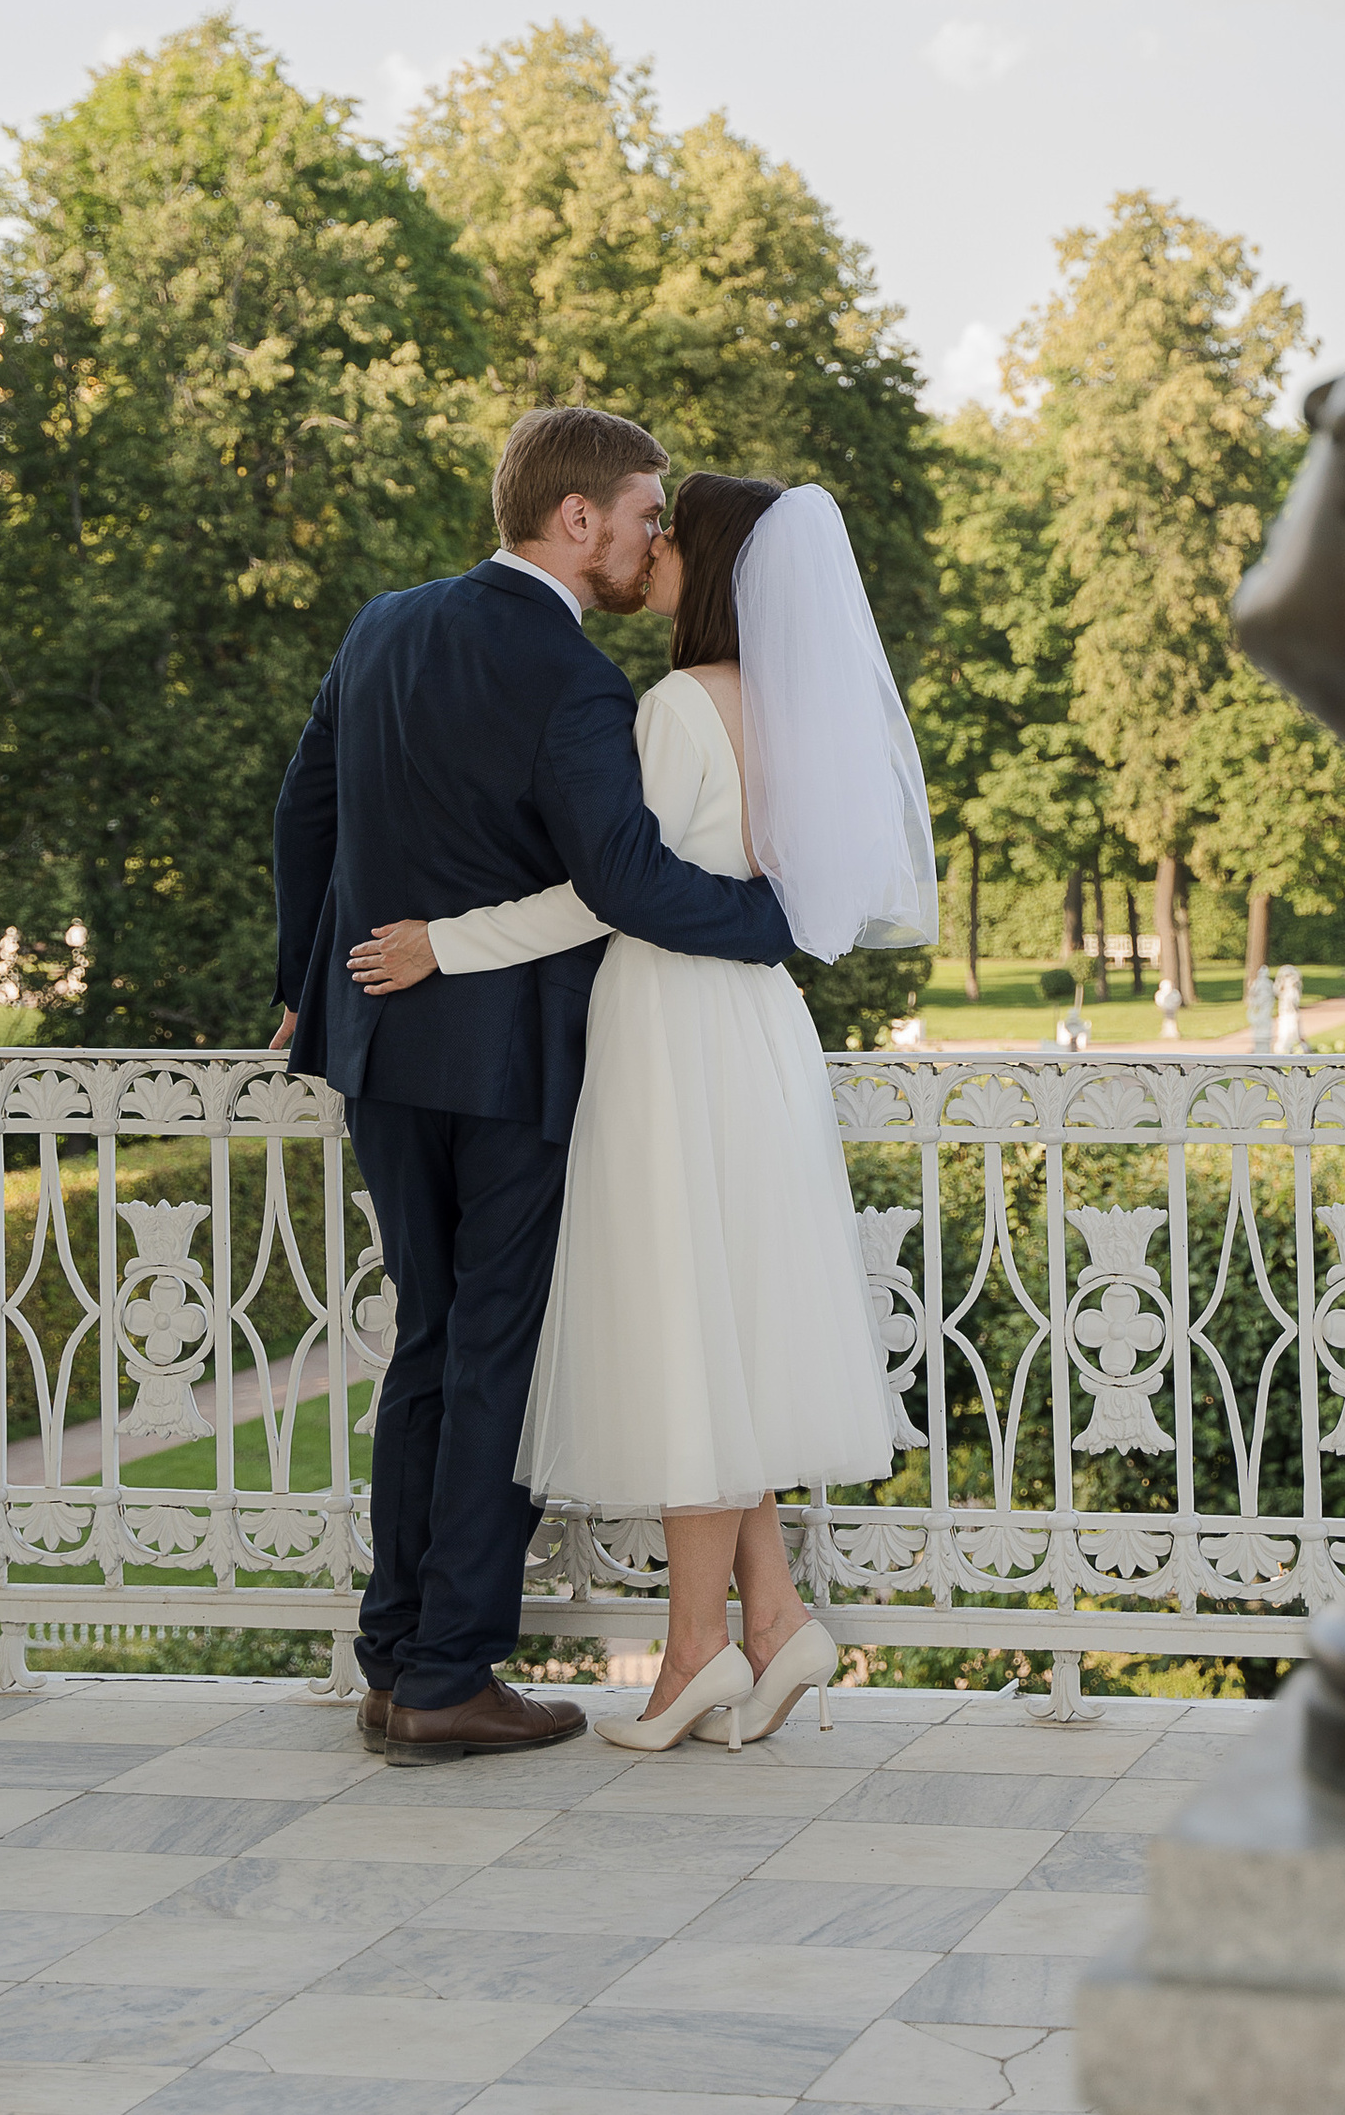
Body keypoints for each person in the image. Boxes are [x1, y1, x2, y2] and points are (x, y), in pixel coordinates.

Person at [349, 471, 935, 1751]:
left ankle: (691, 1657)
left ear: (709, 564)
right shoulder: (790, 709)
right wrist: (775, 934)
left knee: (687, 1323)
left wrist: (444, 942)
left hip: (673, 1024)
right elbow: (757, 889)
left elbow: (611, 889)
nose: (648, 547)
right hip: (757, 1027)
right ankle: (769, 1623)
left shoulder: (675, 704)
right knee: (729, 1323)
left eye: (670, 533)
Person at [271, 406, 798, 1767]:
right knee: (490, 1347)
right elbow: (621, 882)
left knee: (429, 1344)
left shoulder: (383, 622)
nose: (648, 538)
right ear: (577, 520)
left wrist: (301, 981)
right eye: (640, 511)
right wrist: (775, 923)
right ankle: (448, 1676)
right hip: (511, 1063)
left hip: (381, 1043)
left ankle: (396, 1660)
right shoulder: (574, 682)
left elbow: (305, 805)